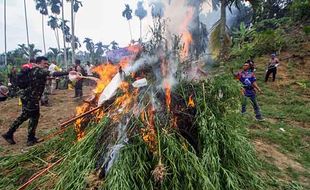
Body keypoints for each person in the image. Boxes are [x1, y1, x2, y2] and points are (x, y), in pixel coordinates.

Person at [2, 56, 68, 146]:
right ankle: (19, 136)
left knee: (30, 115)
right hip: (30, 98)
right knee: (29, 116)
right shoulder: (38, 70)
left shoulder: (34, 70)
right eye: (44, 63)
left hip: (27, 97)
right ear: (39, 62)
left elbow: (40, 79)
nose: (46, 65)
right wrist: (68, 72)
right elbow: (53, 73)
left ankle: (24, 137)